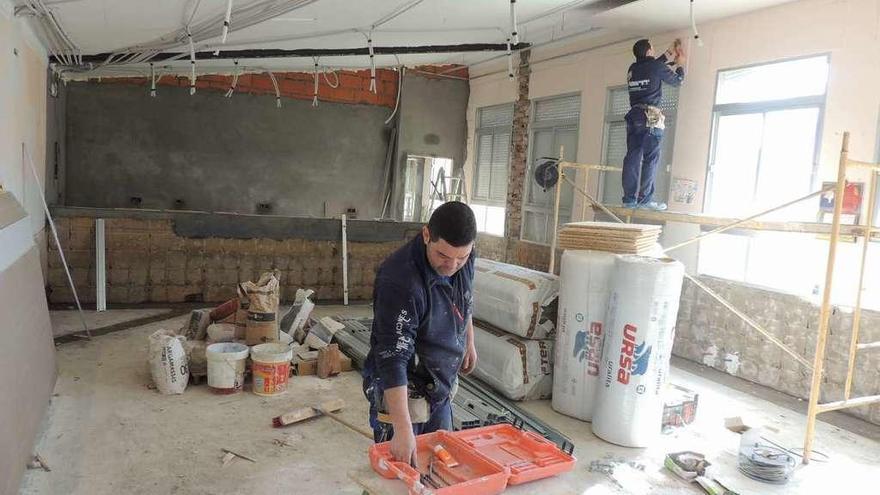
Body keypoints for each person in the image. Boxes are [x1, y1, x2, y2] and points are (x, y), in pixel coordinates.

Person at [362, 201, 478, 465]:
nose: (452, 266)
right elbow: (393, 358)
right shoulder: (400, 281)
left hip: (440, 384)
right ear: (426, 235)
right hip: (405, 387)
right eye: (443, 256)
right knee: (403, 468)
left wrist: (468, 341)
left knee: (441, 463)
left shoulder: (463, 255)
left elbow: (464, 298)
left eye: (461, 258)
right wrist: (402, 430)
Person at [622, 38, 686, 210]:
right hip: (650, 116)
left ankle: (629, 200)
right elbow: (678, 81)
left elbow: (653, 66)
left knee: (632, 158)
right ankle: (644, 200)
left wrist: (669, 52)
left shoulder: (633, 68)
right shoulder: (654, 67)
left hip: (634, 115)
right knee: (651, 157)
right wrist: (680, 64)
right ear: (650, 51)